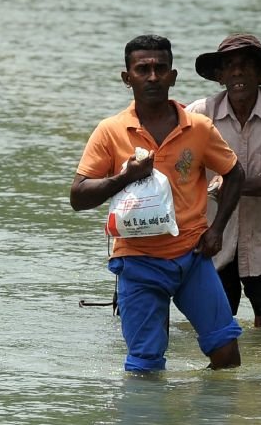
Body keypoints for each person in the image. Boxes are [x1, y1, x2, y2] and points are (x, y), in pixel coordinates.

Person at [70, 34, 246, 372]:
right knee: (145, 365)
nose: (153, 76)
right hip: (138, 261)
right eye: (143, 69)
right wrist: (124, 177)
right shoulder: (110, 131)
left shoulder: (198, 128)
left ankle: (205, 423)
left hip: (192, 257)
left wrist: (217, 229)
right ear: (127, 78)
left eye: (160, 68)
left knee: (226, 356)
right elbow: (78, 197)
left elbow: (235, 174)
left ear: (173, 76)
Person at [186, 33, 261, 329]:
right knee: (214, 324)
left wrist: (230, 185)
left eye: (247, 64)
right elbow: (176, 167)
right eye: (229, 65)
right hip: (214, 235)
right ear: (219, 76)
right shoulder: (199, 114)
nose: (238, 71)